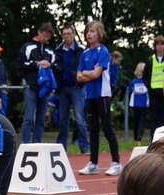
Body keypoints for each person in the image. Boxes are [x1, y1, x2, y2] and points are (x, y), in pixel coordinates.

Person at [77, 20, 121, 176]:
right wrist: (90, 73)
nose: (89, 34)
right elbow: (79, 76)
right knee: (93, 130)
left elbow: (96, 74)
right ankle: (93, 163)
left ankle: (116, 162)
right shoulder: (84, 53)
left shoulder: (103, 51)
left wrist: (88, 73)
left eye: (93, 31)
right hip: (90, 95)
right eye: (88, 31)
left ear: (100, 33)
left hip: (102, 95)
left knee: (107, 128)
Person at [17, 22, 61, 144]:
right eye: (44, 36)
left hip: (45, 89)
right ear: (39, 32)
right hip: (31, 86)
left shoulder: (50, 51)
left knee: (41, 119)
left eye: (48, 37)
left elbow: (58, 67)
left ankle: (37, 143)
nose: (46, 39)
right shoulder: (27, 47)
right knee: (28, 118)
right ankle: (25, 144)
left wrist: (49, 65)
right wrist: (37, 64)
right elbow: (20, 65)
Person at [54, 24, 89, 153]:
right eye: (64, 34)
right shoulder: (58, 50)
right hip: (63, 87)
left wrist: (81, 82)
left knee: (79, 118)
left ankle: (84, 146)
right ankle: (61, 147)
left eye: (69, 34)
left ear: (74, 35)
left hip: (76, 87)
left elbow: (85, 66)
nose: (67, 36)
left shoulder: (81, 50)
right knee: (63, 119)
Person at [142, 36, 164, 136]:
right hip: (153, 92)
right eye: (158, 44)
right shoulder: (150, 60)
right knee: (154, 117)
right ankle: (153, 138)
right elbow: (145, 76)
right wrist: (149, 86)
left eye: (162, 44)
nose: (160, 47)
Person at [127, 62, 149, 145]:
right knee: (141, 122)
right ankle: (139, 139)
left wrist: (130, 105)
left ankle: (135, 139)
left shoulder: (133, 82)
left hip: (135, 104)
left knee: (136, 122)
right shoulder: (146, 82)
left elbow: (130, 93)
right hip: (144, 104)